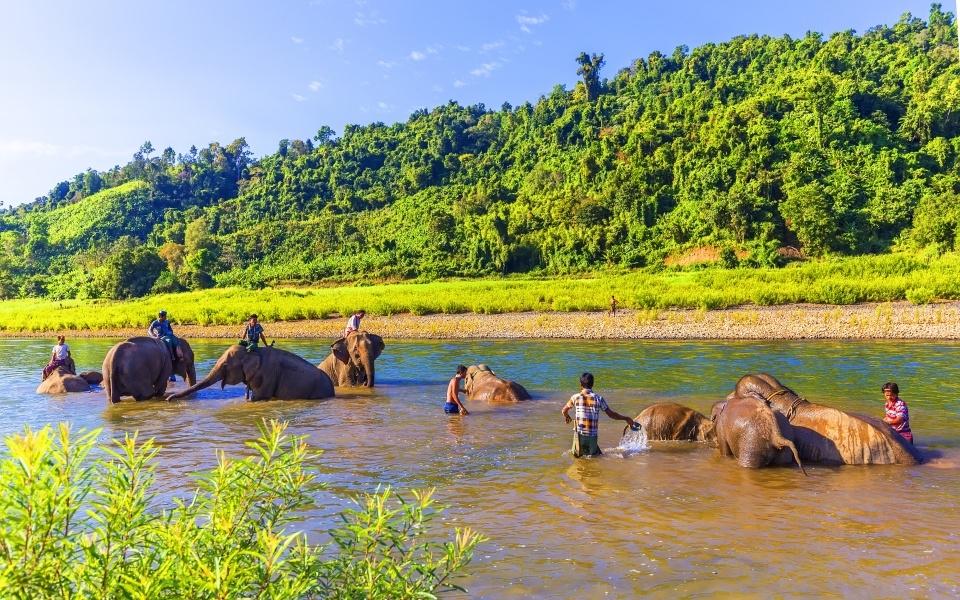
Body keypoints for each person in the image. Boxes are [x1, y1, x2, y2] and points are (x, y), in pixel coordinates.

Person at [562, 372, 637, 457]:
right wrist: (626, 418)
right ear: (593, 384)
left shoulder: (575, 397)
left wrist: (567, 417)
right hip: (592, 437)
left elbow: (564, 410)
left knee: (578, 458)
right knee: (593, 458)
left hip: (579, 436)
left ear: (580, 385)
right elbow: (611, 414)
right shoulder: (599, 399)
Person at [148, 310, 183, 381]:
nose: (165, 317)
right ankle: (172, 355)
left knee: (177, 341)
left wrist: (170, 333)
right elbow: (149, 330)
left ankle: (180, 355)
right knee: (168, 341)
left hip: (169, 335)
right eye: (164, 316)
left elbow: (170, 329)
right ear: (160, 316)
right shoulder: (155, 322)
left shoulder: (167, 322)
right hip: (162, 337)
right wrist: (154, 336)